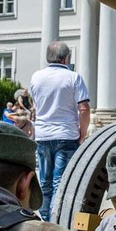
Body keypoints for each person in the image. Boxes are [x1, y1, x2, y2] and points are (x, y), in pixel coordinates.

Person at [29, 41, 91, 221]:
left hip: (43, 134)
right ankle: (54, 220)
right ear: (66, 58)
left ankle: (45, 218)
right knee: (60, 183)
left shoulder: (36, 77)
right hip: (66, 134)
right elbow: (84, 109)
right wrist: (83, 133)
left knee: (45, 182)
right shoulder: (74, 77)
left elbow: (36, 105)